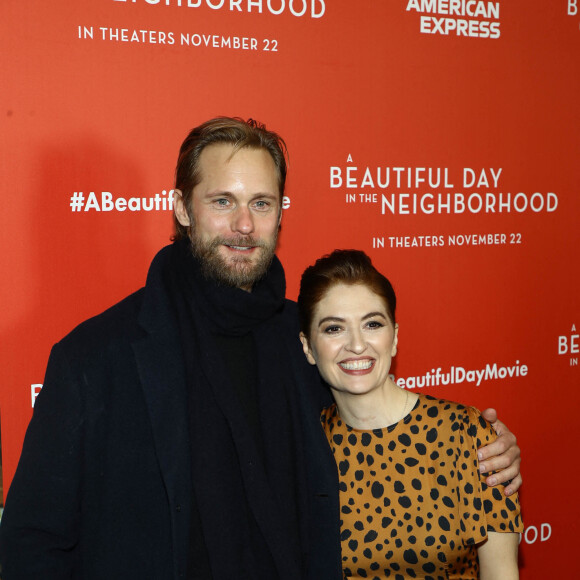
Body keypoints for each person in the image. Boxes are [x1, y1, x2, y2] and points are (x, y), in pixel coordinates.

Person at [0, 118, 521, 580]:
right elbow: (33, 542)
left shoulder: (307, 339)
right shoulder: (95, 356)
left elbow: (383, 426)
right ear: (182, 208)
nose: (244, 226)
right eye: (223, 201)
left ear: (280, 214)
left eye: (261, 203)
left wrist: (486, 454)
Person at [298, 249, 523, 580]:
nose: (357, 345)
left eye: (372, 324)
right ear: (308, 347)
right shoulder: (306, 449)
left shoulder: (465, 434)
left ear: (395, 338)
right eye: (334, 329)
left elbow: (501, 573)